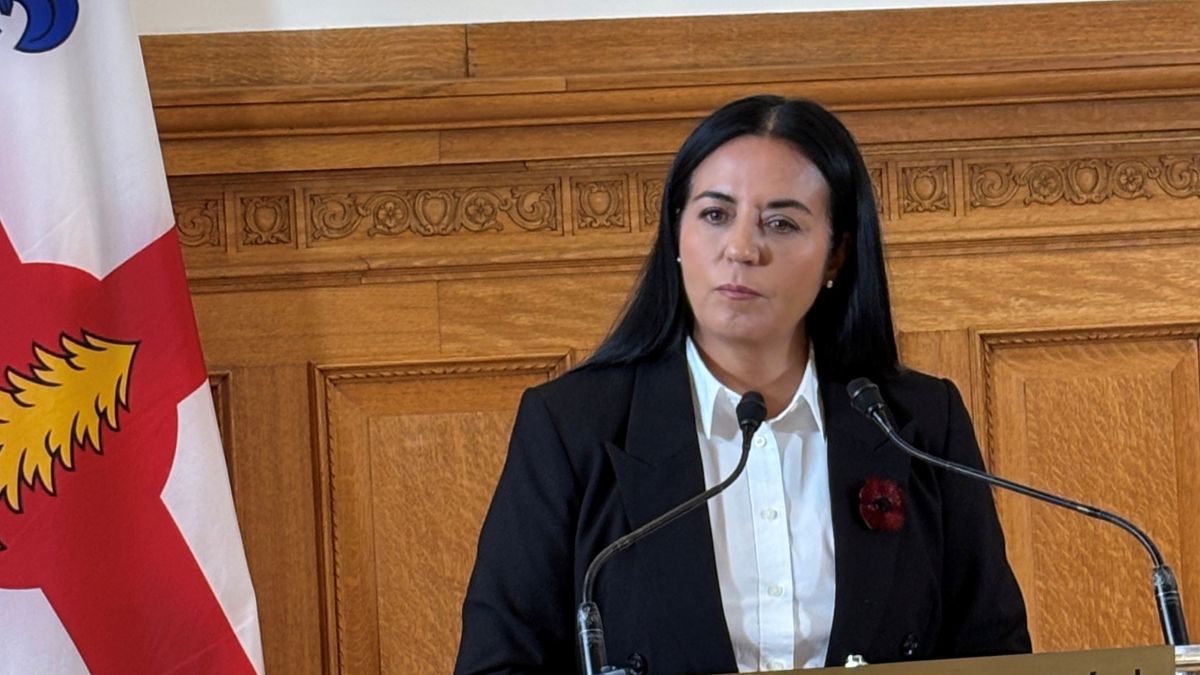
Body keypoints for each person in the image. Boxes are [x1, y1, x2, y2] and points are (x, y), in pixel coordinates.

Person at [454, 95, 1030, 675]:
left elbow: (994, 652)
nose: (741, 249)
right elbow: (498, 662)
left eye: (781, 223)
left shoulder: (917, 422)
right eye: (714, 214)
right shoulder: (573, 426)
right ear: (676, 237)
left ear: (836, 256)